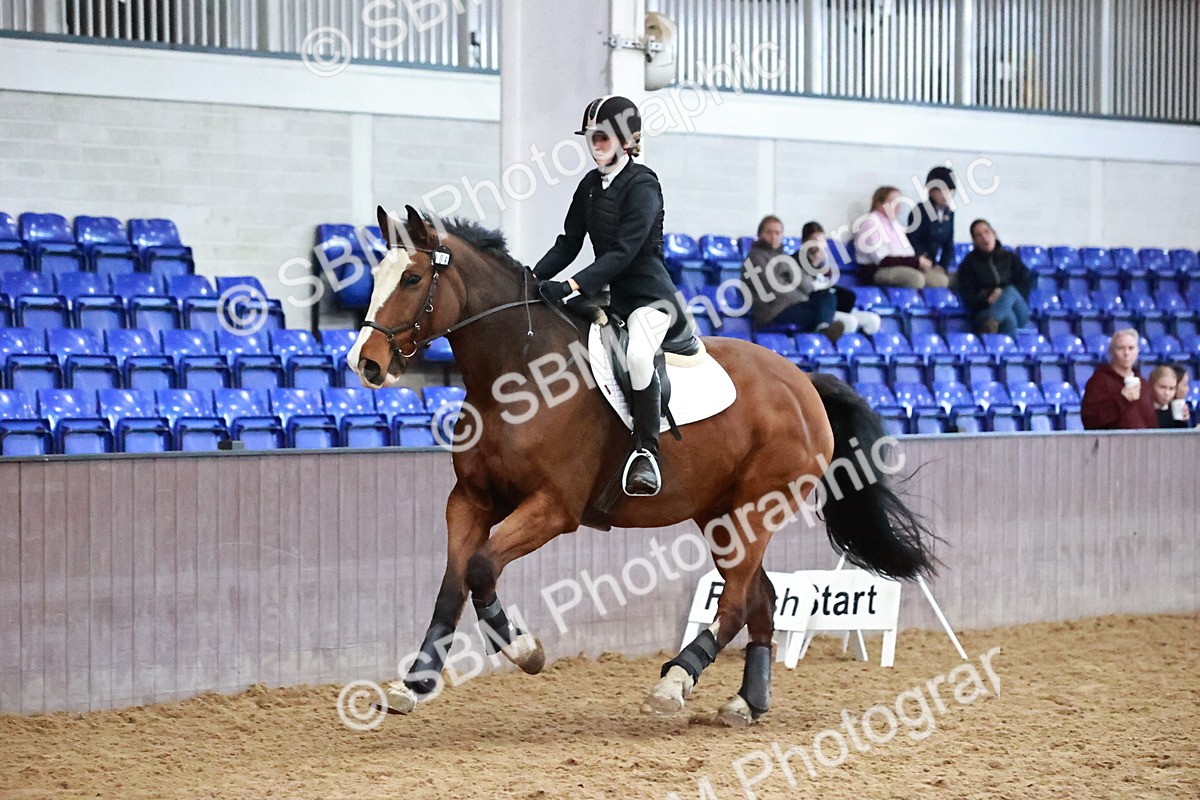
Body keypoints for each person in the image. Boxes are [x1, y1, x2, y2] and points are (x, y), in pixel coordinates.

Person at [534, 95, 695, 498]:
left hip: (649, 298)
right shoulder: (589, 185)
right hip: (609, 296)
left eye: (603, 137)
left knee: (638, 356)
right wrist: (532, 277)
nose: (595, 145)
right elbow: (569, 242)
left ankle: (646, 452)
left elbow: (624, 252)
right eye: (591, 137)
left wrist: (571, 286)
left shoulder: (643, 185)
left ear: (626, 140)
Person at [743, 215, 843, 342]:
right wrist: (804, 297)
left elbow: (805, 283)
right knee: (820, 313)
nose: (773, 237)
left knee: (828, 294)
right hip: (774, 312)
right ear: (759, 234)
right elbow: (775, 289)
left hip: (792, 305)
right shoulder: (755, 259)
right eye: (769, 232)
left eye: (777, 233)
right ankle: (823, 329)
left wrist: (806, 294)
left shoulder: (783, 256)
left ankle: (823, 327)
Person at [853, 186, 950, 289]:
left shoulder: (895, 225)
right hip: (878, 270)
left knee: (940, 280)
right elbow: (881, 259)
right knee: (916, 279)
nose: (897, 206)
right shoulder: (870, 224)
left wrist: (919, 261)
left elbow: (908, 252)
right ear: (879, 203)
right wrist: (915, 262)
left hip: (901, 267)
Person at [798, 222, 881, 336]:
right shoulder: (797, 263)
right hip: (818, 308)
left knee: (873, 320)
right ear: (804, 242)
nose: (818, 245)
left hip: (835, 306)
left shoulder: (825, 266)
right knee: (850, 322)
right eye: (813, 241)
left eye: (821, 241)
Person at [955, 219, 1033, 335]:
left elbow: (1025, 282)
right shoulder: (968, 264)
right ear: (975, 241)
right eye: (978, 235)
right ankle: (1004, 341)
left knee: (1010, 291)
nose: (984, 237)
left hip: (1017, 308)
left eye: (986, 232)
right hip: (985, 310)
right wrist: (988, 299)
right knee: (1009, 318)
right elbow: (969, 298)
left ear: (994, 233)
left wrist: (1003, 295)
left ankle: (993, 321)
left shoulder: (1009, 257)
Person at [1081, 329, 1157, 430]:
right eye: (1121, 348)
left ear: (1137, 351)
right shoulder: (1099, 382)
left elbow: (1152, 422)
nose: (1126, 353)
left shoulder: (1143, 384)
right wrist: (1122, 399)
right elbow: (1090, 420)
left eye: (1131, 348)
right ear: (1112, 351)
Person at [908, 167, 956, 273]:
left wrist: (942, 266)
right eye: (942, 191)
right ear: (931, 191)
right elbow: (912, 240)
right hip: (919, 264)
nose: (947, 195)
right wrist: (921, 259)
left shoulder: (949, 213)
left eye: (950, 191)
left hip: (935, 265)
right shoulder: (919, 211)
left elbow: (949, 244)